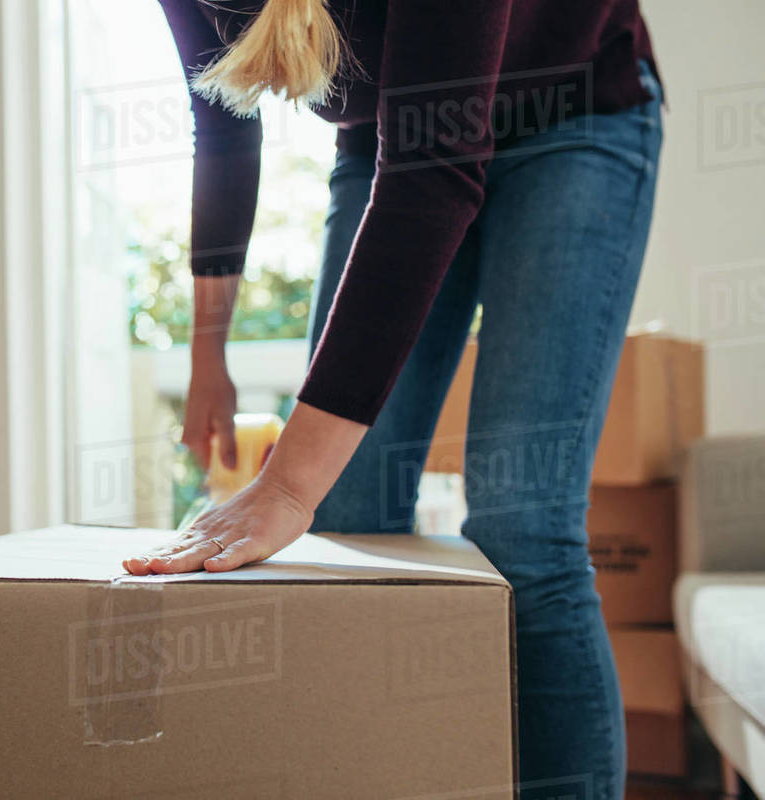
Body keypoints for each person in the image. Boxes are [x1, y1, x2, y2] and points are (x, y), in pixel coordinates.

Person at [122, 0, 664, 795]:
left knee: (524, 528)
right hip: (388, 142)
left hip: (574, 117)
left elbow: (436, 175)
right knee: (349, 521)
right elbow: (225, 120)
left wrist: (285, 484)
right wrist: (209, 351)